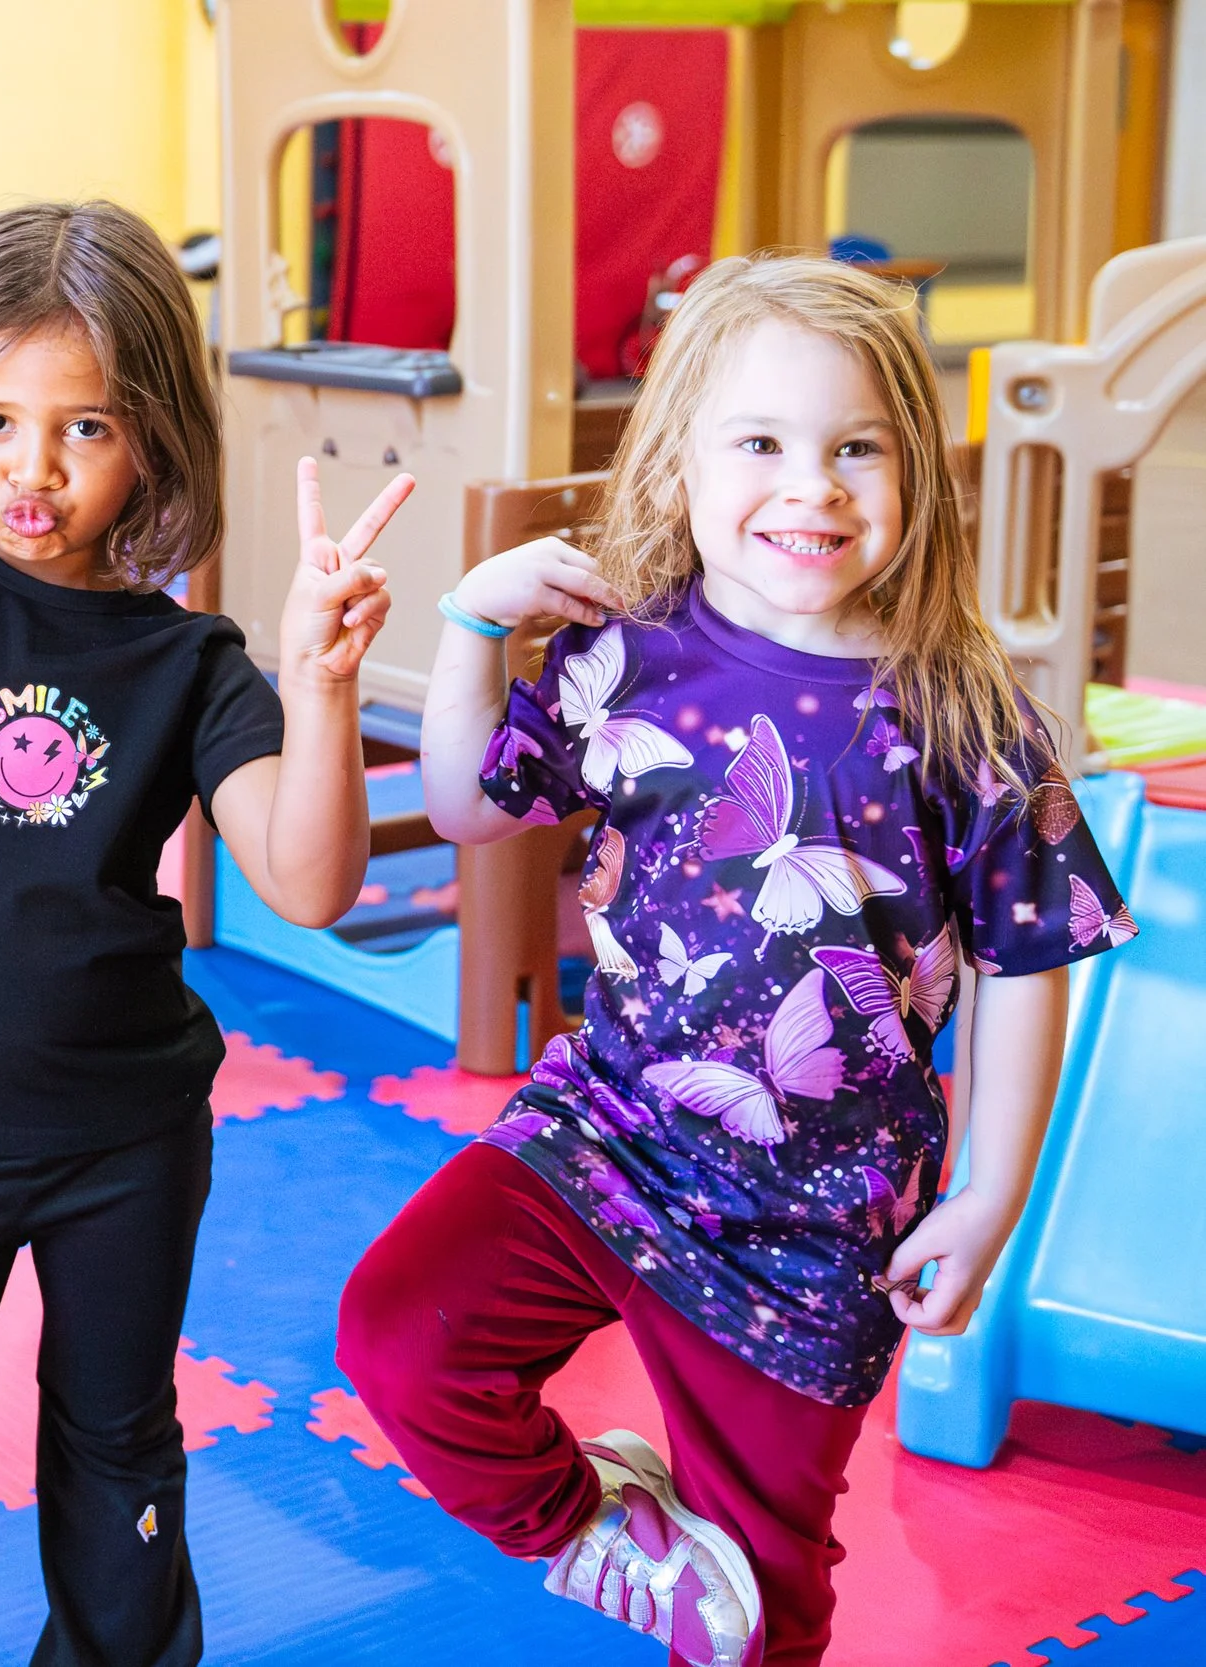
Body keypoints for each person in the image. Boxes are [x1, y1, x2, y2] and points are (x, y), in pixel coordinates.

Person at [337, 253, 1136, 1667]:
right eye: (762, 443)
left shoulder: (966, 711)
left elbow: (1029, 959)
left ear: (913, 474)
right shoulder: (628, 658)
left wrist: (992, 1194)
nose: (812, 486)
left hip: (822, 1214)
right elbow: (469, 805)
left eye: (854, 449)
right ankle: (613, 1527)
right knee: (402, 1331)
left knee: (761, 1605)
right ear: (682, 464)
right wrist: (469, 623)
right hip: (614, 1136)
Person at [0, 201, 402, 1667]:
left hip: (124, 1135)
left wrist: (320, 687)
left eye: (87, 430)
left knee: (116, 1454)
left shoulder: (187, 660)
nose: (33, 470)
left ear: (154, 445)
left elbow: (306, 880)